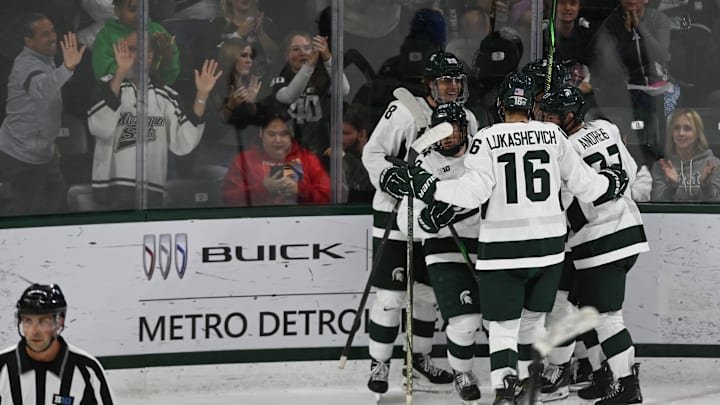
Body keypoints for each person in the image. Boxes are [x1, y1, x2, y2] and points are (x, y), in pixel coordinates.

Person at [391, 72, 629, 405]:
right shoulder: (553, 135)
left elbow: (472, 194)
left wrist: (427, 186)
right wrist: (612, 183)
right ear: (531, 105)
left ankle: (506, 388)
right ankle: (529, 387)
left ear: (500, 106)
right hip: (548, 252)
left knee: (503, 326)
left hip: (503, 250)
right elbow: (586, 186)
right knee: (532, 322)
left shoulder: (486, 138)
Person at [361, 51, 479, 397]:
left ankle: (421, 359)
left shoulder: (467, 119)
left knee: (426, 295)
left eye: (458, 80)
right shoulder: (404, 111)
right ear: (430, 83)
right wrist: (391, 177)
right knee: (391, 295)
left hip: (437, 217)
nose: (453, 87)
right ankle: (379, 361)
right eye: (445, 80)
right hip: (394, 211)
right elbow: (372, 153)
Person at [540, 85, 649, 404]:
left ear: (571, 116)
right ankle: (602, 376)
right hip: (627, 229)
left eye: (553, 115)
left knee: (606, 318)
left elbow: (558, 204)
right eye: (544, 114)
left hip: (598, 241)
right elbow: (628, 173)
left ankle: (627, 385)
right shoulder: (606, 128)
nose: (547, 121)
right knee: (583, 308)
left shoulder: (559, 151)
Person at [396, 102, 484, 403]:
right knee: (467, 320)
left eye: (452, 130)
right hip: (444, 248)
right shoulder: (425, 163)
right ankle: (462, 372)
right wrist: (425, 221)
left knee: (506, 321)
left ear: (464, 128)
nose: (446, 137)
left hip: (490, 246)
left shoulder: (484, 152)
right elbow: (406, 217)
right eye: (440, 131)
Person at [88, 32, 222, 209]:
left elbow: (184, 142)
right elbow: (99, 126)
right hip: (110, 191)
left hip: (151, 193)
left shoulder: (166, 96)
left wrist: (202, 94)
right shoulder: (106, 85)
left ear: (149, 56)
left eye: (132, 49)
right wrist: (120, 72)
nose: (125, 53)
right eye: (123, 48)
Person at [0, 14, 85, 215]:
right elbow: (42, 89)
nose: (52, 37)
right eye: (44, 34)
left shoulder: (46, 61)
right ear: (29, 41)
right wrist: (67, 67)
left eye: (53, 31)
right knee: (24, 217)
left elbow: (43, 111)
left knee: (58, 208)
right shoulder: (25, 65)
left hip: (44, 156)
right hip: (18, 158)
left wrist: (48, 141)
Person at [0, 283, 115, 404]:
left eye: (43, 321)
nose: (34, 331)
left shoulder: (87, 369)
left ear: (60, 322)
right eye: (28, 320)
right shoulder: (2, 365)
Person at [222, 107, 330, 206]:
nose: (278, 140)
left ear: (291, 134)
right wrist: (263, 188)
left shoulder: (307, 159)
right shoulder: (245, 160)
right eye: (272, 134)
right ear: (261, 134)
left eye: (283, 134)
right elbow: (228, 198)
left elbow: (329, 197)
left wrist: (300, 190)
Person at [270, 31, 350, 160]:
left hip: (323, 151)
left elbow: (344, 90)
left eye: (307, 48)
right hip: (290, 152)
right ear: (286, 55)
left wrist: (327, 58)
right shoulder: (280, 78)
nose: (302, 53)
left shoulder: (323, 77)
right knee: (294, 180)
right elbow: (289, 96)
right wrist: (309, 66)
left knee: (321, 181)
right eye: (296, 49)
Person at [591, 0, 672, 113]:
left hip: (659, 87)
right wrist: (626, 34)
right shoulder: (611, 23)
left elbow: (660, 55)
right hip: (627, 90)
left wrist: (639, 27)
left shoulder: (658, 19)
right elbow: (610, 64)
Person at [92, 0, 181, 85]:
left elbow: (169, 79)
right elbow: (103, 75)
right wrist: (132, 63)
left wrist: (167, 57)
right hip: (119, 93)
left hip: (155, 93)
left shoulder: (157, 30)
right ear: (117, 11)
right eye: (133, 9)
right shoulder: (106, 35)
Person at [651, 108, 720, 201]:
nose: (681, 133)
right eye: (676, 128)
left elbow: (716, 206)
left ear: (697, 133)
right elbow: (656, 206)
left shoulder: (713, 164)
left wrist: (706, 185)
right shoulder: (662, 166)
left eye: (687, 128)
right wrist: (672, 187)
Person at [196, 0, 280, 76]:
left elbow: (278, 58)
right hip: (226, 84)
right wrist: (238, 35)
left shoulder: (266, 23)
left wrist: (261, 34)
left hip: (261, 84)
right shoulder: (216, 25)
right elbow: (208, 61)